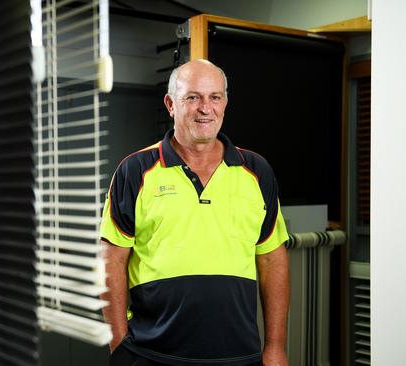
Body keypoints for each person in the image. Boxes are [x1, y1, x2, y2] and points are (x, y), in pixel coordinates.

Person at [99, 59, 290, 366]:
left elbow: (272, 258)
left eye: (215, 97)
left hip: (239, 354)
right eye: (193, 97)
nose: (206, 108)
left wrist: (276, 347)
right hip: (151, 355)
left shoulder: (256, 171)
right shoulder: (135, 171)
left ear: (225, 103)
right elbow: (112, 260)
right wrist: (120, 346)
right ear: (170, 103)